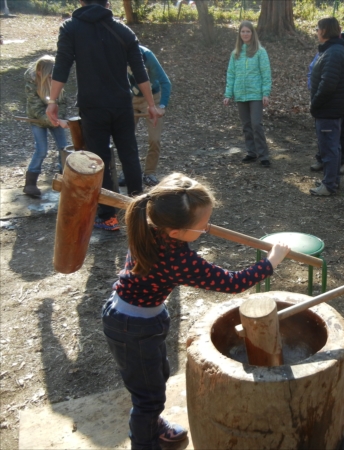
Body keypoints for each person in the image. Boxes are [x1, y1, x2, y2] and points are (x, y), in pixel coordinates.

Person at [102, 173, 290, 449]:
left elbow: (174, 189)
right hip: (134, 327)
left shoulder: (150, 218)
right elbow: (231, 282)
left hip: (135, 317)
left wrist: (197, 221)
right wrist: (271, 262)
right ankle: (145, 441)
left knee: (158, 376)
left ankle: (152, 424)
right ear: (176, 233)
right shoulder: (177, 259)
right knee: (148, 398)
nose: (208, 229)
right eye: (203, 227)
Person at [46, 0, 160, 231]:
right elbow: (140, 71)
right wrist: (151, 104)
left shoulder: (71, 28)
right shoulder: (123, 30)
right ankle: (137, 212)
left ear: (81, 2)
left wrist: (52, 101)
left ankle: (108, 216)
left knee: (100, 160)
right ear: (107, 3)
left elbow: (62, 66)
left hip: (93, 106)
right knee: (129, 154)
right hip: (121, 104)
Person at [308, 30, 344, 173]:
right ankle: (322, 159)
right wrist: (313, 88)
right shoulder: (322, 52)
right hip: (323, 99)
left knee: (340, 131)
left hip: (342, 101)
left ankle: (340, 163)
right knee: (323, 132)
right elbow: (312, 71)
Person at [308, 17, 344, 196]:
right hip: (332, 109)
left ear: (324, 30)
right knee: (334, 147)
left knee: (329, 148)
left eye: (318, 29)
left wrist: (315, 104)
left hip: (328, 110)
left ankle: (329, 185)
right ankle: (332, 180)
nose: (316, 32)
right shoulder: (334, 50)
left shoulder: (333, 52)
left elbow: (328, 85)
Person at [224, 21, 272, 168]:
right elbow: (231, 74)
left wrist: (266, 93)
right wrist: (228, 94)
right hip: (240, 94)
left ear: (252, 33)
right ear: (239, 34)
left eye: (248, 31)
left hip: (256, 94)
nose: (245, 34)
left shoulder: (260, 52)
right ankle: (252, 152)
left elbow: (266, 73)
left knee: (256, 124)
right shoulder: (235, 54)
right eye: (243, 31)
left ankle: (263, 155)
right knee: (246, 125)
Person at [23, 55, 69, 198]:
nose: (51, 76)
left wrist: (59, 117)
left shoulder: (56, 82)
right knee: (41, 150)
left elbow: (62, 102)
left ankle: (65, 180)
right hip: (37, 119)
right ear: (39, 73)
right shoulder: (31, 85)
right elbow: (36, 109)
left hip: (54, 118)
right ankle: (30, 184)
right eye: (49, 74)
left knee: (64, 148)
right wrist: (55, 121)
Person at [129, 45, 172, 187]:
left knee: (154, 139)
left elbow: (165, 82)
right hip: (129, 98)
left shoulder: (148, 56)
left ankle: (149, 173)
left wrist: (162, 106)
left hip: (152, 97)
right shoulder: (117, 55)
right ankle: (128, 171)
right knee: (126, 138)